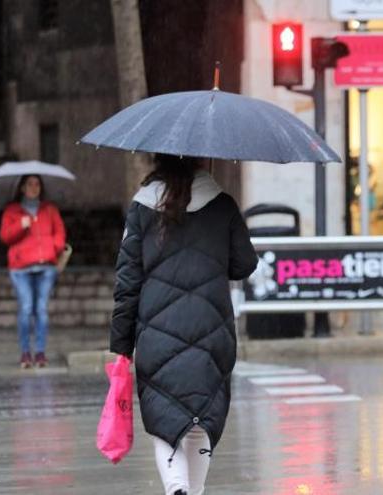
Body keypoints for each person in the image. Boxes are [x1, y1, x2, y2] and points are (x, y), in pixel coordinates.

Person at [110, 154, 257, 495]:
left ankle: (177, 488)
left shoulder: (142, 206)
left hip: (156, 332)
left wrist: (121, 344)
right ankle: (193, 490)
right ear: (201, 160)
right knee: (201, 418)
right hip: (212, 330)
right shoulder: (222, 204)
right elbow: (244, 264)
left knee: (165, 419)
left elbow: (127, 282)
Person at [0, 175, 66, 369]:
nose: (34, 188)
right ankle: (25, 352)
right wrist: (21, 225)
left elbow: (59, 232)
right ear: (21, 188)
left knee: (42, 311)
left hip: (46, 266)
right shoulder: (12, 211)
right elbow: (5, 236)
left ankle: (40, 352)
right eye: (29, 184)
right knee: (26, 308)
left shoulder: (49, 209)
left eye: (37, 184)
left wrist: (54, 248)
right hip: (21, 269)